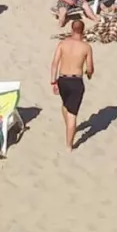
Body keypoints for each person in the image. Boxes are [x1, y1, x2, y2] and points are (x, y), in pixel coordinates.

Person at [50, 17, 95, 150]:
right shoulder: (86, 47)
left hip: (62, 79)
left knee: (65, 105)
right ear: (83, 31)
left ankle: (70, 128)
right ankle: (69, 146)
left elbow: (54, 63)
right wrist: (89, 74)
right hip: (76, 81)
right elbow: (91, 68)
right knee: (72, 114)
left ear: (71, 30)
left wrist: (53, 81)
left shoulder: (62, 44)